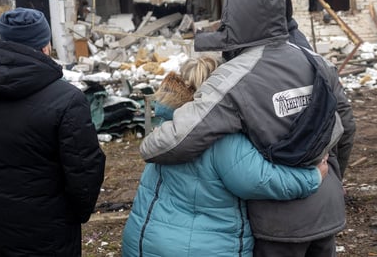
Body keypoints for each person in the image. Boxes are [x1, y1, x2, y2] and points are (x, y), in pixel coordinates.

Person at [140, 0, 357, 257]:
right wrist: (332, 180)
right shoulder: (317, 62)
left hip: (278, 224)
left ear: (234, 15)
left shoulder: (233, 77)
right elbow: (346, 126)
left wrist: (150, 142)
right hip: (326, 210)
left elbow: (181, 139)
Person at [123, 56, 329, 257]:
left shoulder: (168, 128)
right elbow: (260, 180)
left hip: (142, 239)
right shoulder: (220, 139)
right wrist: (312, 177)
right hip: (199, 247)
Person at [0, 7, 106, 256]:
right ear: (45, 46)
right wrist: (75, 213)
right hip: (49, 230)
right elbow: (85, 174)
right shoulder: (67, 100)